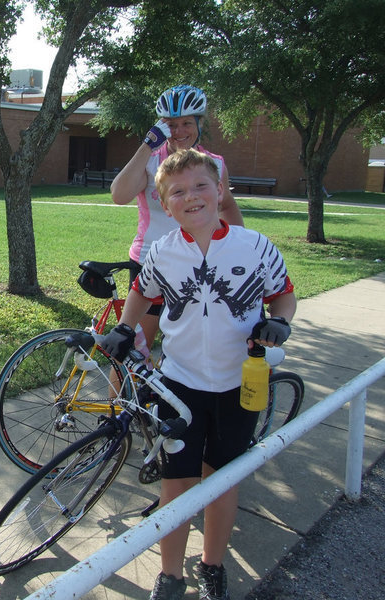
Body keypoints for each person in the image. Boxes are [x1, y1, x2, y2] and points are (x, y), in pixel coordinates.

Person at [101, 149, 297, 600]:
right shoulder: (163, 252)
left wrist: (280, 322)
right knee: (176, 483)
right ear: (164, 205)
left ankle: (213, 564)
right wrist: (125, 329)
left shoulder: (256, 246)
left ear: (221, 190)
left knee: (221, 480)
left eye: (201, 186)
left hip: (237, 385)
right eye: (177, 192)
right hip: (180, 386)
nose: (191, 196)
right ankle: (171, 574)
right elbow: (140, 292)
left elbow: (283, 296)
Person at [110, 85, 244, 356]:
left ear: (200, 123)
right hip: (150, 264)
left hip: (198, 266)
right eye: (171, 125)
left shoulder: (214, 165)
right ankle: (120, 400)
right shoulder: (150, 161)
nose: (179, 131)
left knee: (190, 350)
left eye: (186, 123)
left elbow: (226, 205)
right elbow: (119, 194)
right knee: (134, 350)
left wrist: (240, 249)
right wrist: (148, 144)